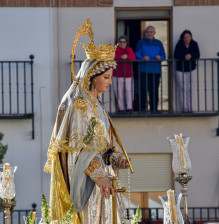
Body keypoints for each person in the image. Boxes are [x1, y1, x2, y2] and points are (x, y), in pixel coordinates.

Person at [44, 18, 130, 224]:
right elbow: (77, 148)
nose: (110, 82)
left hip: (103, 180)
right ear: (93, 76)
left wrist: (116, 157)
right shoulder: (80, 105)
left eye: (111, 77)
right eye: (107, 77)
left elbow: (103, 146)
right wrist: (98, 173)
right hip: (89, 182)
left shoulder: (98, 106)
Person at [135, 25, 166, 112]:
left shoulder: (159, 43)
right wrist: (142, 57)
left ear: (154, 33)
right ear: (145, 33)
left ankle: (154, 109)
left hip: (155, 71)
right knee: (143, 90)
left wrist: (160, 57)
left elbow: (164, 55)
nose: (149, 33)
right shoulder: (141, 42)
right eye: (147, 32)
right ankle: (142, 109)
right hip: (143, 70)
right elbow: (136, 54)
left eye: (151, 32)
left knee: (154, 90)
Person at [174, 30, 200, 113]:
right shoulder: (179, 44)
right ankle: (184, 108)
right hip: (180, 69)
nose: (186, 39)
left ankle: (190, 107)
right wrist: (185, 56)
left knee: (191, 88)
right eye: (185, 37)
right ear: (182, 38)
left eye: (188, 37)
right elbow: (176, 55)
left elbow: (197, 54)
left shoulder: (194, 44)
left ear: (191, 37)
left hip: (191, 68)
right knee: (183, 88)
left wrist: (191, 56)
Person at [113, 35, 136, 112]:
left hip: (128, 74)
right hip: (117, 74)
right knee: (119, 92)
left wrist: (127, 57)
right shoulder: (115, 50)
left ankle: (129, 107)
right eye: (121, 42)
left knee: (129, 91)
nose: (122, 43)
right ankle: (121, 108)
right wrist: (121, 57)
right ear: (118, 43)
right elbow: (112, 57)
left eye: (124, 42)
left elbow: (133, 57)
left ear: (126, 43)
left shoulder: (129, 49)